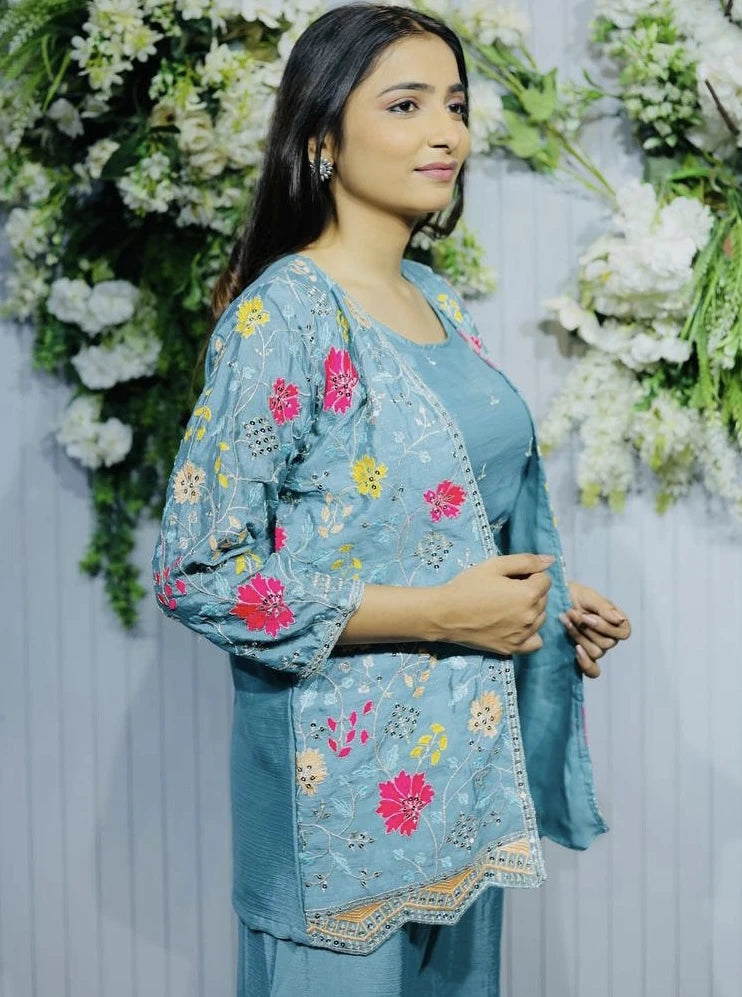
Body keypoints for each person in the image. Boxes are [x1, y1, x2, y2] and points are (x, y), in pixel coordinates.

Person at [151, 3, 632, 994]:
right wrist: (446, 614)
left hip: (457, 780)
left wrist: (547, 600)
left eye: (453, 105)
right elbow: (196, 572)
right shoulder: (281, 318)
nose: (444, 132)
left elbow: (441, 507)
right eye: (405, 104)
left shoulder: (435, 298)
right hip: (338, 809)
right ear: (321, 137)